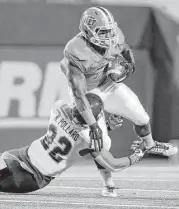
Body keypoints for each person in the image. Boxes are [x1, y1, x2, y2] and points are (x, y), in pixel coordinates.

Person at [59, 6, 178, 197]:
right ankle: (108, 184)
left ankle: (149, 144)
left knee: (140, 115)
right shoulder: (75, 51)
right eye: (103, 31)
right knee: (102, 143)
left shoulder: (115, 35)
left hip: (107, 84)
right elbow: (80, 95)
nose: (109, 35)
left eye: (110, 30)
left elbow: (125, 50)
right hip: (86, 93)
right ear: (88, 31)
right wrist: (92, 125)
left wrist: (129, 64)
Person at [0, 93, 145, 196]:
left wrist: (106, 127)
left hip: (31, 174)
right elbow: (113, 165)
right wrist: (140, 152)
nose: (76, 118)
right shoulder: (89, 138)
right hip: (23, 159)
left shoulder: (59, 107)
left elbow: (72, 134)